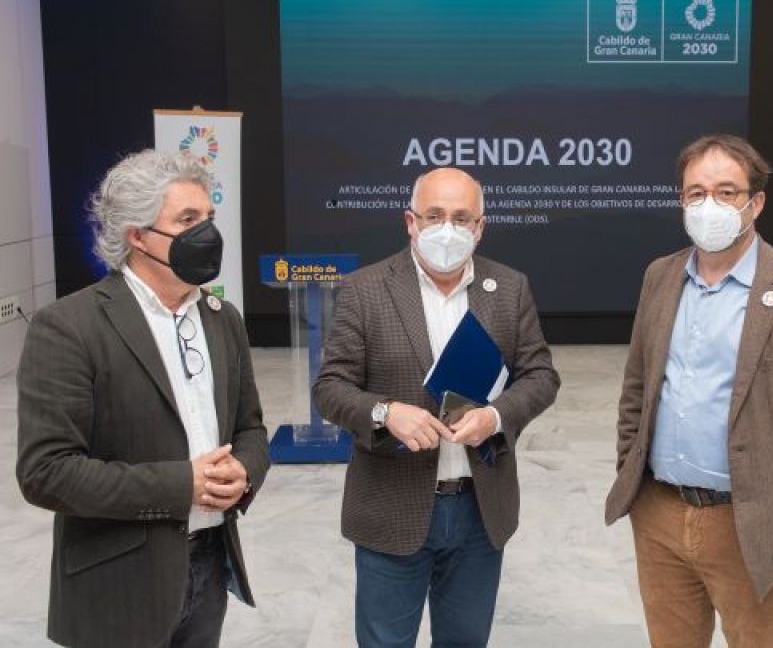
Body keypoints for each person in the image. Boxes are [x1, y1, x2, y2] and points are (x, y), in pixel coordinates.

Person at [605, 134, 773, 647]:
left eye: (726, 192)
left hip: (749, 523)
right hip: (659, 514)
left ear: (755, 203)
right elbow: (638, 385)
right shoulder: (660, 277)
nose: (709, 205)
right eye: (696, 193)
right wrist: (632, 464)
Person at [16, 150, 270, 648]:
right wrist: (182, 483)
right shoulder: (68, 327)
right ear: (136, 235)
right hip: (118, 581)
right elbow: (46, 472)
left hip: (210, 568)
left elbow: (251, 428)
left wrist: (245, 470)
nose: (207, 233)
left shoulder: (223, 319)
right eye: (188, 220)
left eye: (209, 217)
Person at [314, 167, 560, 647]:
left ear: (480, 227)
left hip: (478, 511)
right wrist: (386, 413)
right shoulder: (366, 289)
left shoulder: (509, 288)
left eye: (462, 218)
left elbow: (540, 376)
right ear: (411, 222)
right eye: (434, 215)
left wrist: (495, 416)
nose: (448, 229)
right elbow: (330, 388)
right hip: (392, 506)